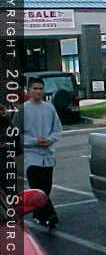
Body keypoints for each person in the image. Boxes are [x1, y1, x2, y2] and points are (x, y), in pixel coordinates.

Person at [16, 77, 62, 229]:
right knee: (37, 187)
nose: (38, 91)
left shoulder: (49, 108)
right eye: (34, 88)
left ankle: (38, 214)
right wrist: (34, 141)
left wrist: (49, 140)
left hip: (47, 155)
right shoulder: (22, 110)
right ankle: (50, 215)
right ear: (28, 90)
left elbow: (57, 129)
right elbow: (15, 133)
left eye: (40, 88)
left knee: (46, 188)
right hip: (31, 156)